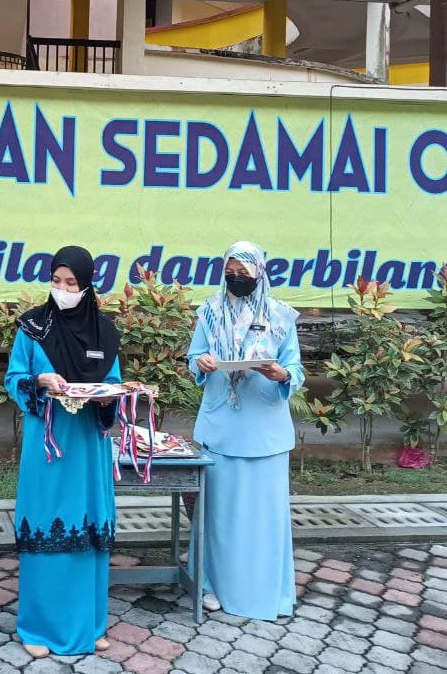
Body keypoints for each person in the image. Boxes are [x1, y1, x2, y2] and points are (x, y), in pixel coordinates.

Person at [4, 246, 122, 659]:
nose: (63, 290)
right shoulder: (32, 327)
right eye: (56, 281)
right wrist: (39, 381)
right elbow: (13, 377)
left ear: (87, 285)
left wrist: (107, 398)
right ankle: (38, 627)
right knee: (47, 521)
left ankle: (90, 626)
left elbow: (113, 382)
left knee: (88, 523)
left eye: (72, 283)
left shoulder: (105, 332)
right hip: (49, 445)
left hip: (88, 444)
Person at [187, 240, 304, 620]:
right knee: (218, 515)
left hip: (265, 431)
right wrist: (202, 363)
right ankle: (211, 585)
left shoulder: (281, 316)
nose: (236, 279)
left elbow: (296, 370)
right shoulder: (210, 312)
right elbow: (194, 357)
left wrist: (281, 373)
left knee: (262, 519)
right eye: (230, 273)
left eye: (244, 273)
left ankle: (262, 591)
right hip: (221, 428)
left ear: (260, 274)